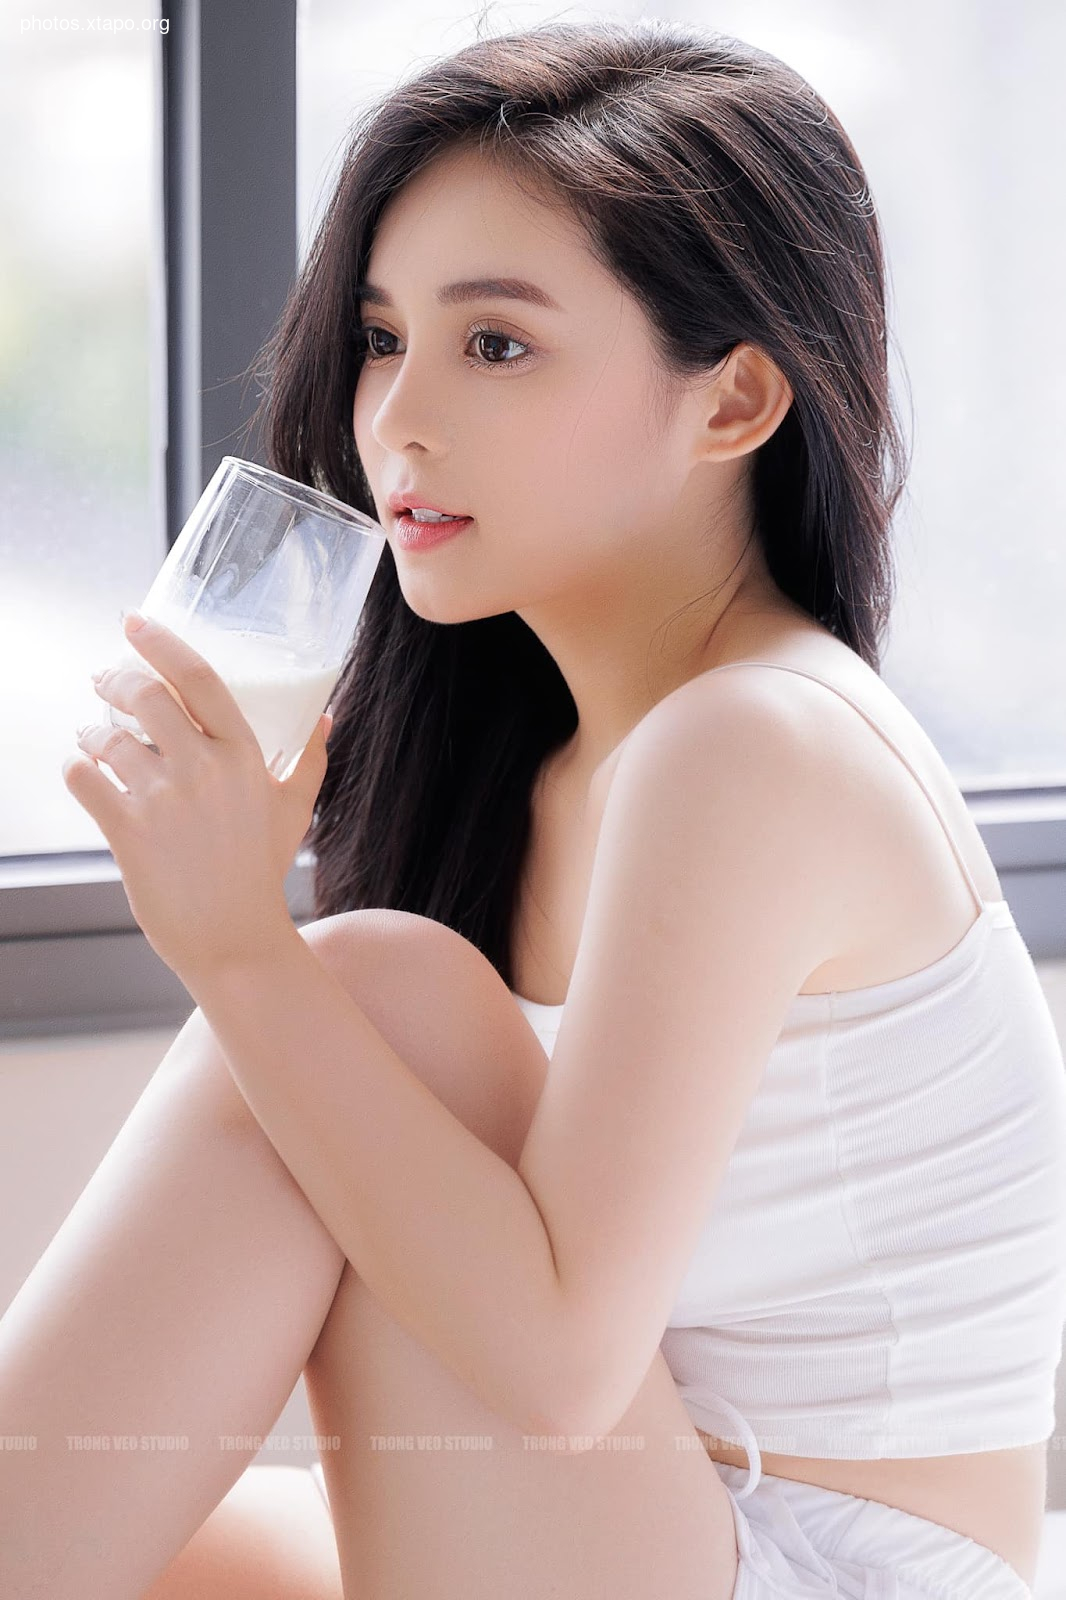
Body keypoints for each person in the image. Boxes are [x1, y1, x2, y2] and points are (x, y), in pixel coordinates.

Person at [3, 17, 1063, 1599]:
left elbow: (562, 1366)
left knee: (374, 995)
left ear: (733, 402)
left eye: (493, 345)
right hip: (650, 1517)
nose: (395, 420)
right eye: (379, 337)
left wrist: (237, 947)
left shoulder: (751, 744)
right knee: (120, 1518)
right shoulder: (564, 754)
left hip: (832, 1566)